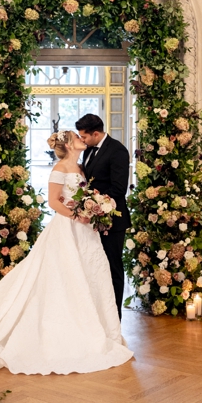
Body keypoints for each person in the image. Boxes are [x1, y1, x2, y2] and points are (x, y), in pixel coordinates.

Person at [0, 130, 133, 374]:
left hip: (86, 232)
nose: (82, 138)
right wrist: (77, 215)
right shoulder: (59, 168)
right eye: (76, 137)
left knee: (91, 274)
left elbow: (81, 195)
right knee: (64, 277)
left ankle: (98, 329)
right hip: (68, 229)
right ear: (69, 144)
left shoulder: (81, 168)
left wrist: (94, 208)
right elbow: (53, 202)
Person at [75, 113, 131, 318]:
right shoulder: (88, 149)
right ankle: (100, 313)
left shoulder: (118, 151)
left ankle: (115, 315)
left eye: (85, 137)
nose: (82, 140)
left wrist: (97, 202)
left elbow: (118, 188)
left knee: (113, 267)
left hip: (113, 221)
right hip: (93, 220)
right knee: (96, 267)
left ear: (96, 133)